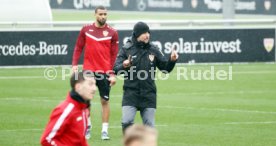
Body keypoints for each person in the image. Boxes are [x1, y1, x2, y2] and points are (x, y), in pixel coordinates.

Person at [113, 21, 178, 133]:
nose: (147, 35)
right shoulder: (126, 48)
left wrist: (172, 60)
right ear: (137, 34)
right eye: (144, 33)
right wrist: (124, 65)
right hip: (131, 93)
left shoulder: (154, 49)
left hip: (148, 94)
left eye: (148, 32)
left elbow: (165, 69)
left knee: (149, 127)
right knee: (126, 122)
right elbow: (115, 69)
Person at [72, 5, 119, 140]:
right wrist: (74, 65)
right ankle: (88, 127)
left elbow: (114, 55)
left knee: (105, 100)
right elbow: (78, 47)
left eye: (105, 14)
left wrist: (112, 74)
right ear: (95, 15)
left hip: (105, 71)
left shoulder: (113, 32)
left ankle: (104, 131)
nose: (103, 16)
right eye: (100, 14)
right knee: (86, 100)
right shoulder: (86, 29)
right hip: (88, 70)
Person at [40, 71, 96, 146]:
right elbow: (47, 139)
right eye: (90, 84)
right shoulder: (66, 110)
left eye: (95, 84)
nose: (94, 88)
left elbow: (81, 140)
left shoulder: (84, 110)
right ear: (78, 87)